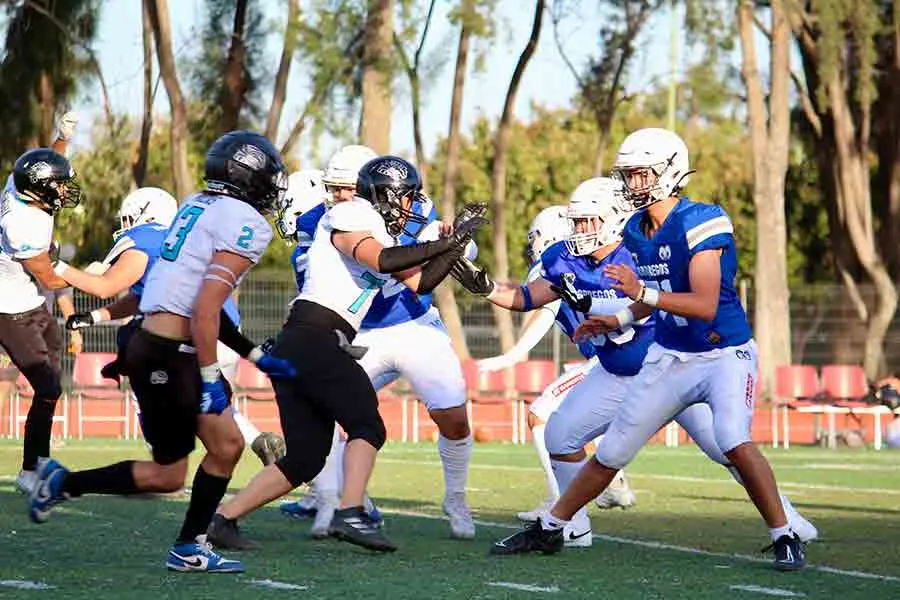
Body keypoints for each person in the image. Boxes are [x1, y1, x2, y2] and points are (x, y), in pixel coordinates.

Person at [479, 128, 809, 571]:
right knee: (612, 451)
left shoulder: (703, 219)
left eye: (640, 174)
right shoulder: (635, 228)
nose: (632, 184)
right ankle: (554, 528)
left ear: (670, 171)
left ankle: (785, 533)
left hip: (723, 354)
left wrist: (640, 296)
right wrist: (615, 319)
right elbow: (644, 298)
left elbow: (704, 303)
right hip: (669, 357)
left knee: (730, 438)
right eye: (629, 175)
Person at [27, 130, 297, 574]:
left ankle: (63, 482)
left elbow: (185, 297)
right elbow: (205, 308)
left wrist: (251, 353)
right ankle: (189, 545)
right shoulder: (246, 223)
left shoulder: (197, 204)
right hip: (174, 353)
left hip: (151, 344)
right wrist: (211, 375)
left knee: (173, 472)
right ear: (249, 176)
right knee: (224, 446)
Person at [206, 156, 488, 557]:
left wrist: (455, 242)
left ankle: (222, 520)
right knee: (367, 425)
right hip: (316, 338)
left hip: (307, 342)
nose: (412, 205)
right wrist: (444, 241)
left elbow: (421, 280)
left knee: (304, 458)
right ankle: (351, 512)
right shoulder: (352, 212)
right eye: (406, 196)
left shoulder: (376, 227)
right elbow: (384, 261)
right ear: (386, 194)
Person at [279, 145, 477, 540]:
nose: (339, 198)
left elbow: (427, 268)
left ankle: (455, 497)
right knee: (328, 415)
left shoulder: (409, 206)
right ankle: (345, 501)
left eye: (347, 188)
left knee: (453, 415)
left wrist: (456, 243)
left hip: (414, 323)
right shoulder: (323, 220)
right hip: (361, 332)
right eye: (333, 189)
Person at [58, 186, 286, 466]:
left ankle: (163, 465)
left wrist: (54, 266)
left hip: (189, 339)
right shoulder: (188, 240)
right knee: (204, 402)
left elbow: (105, 286)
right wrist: (96, 317)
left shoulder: (143, 238)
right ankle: (257, 440)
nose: (125, 225)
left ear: (142, 214)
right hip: (225, 337)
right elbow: (142, 296)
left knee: (148, 388)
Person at [477, 205, 636, 522]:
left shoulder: (564, 265)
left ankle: (559, 502)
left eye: (535, 237)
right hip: (610, 362)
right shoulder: (574, 264)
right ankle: (614, 483)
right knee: (577, 420)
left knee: (541, 415)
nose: (532, 244)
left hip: (614, 362)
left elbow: (544, 312)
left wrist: (513, 355)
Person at [0, 148, 81, 494]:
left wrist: (62, 140)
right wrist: (97, 277)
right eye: (60, 185)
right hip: (9, 311)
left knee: (51, 390)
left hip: (33, 306)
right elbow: (50, 279)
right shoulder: (22, 223)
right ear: (42, 189)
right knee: (47, 387)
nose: (65, 190)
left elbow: (40, 163)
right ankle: (31, 469)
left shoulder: (18, 187)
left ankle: (37, 463)